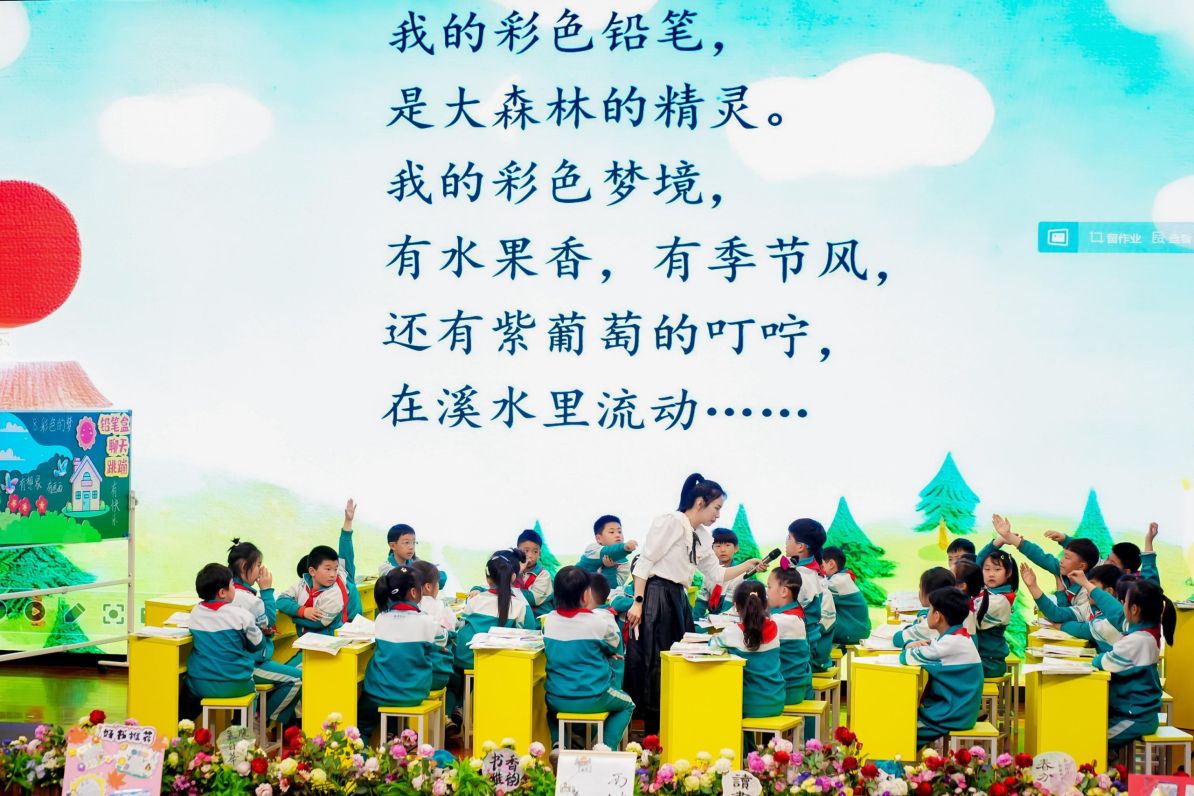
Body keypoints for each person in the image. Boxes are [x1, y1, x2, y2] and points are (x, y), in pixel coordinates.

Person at [624, 473, 763, 733]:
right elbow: (645, 562)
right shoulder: (672, 521)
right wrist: (638, 602)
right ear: (700, 502)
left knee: (678, 662)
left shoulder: (702, 535)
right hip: (657, 598)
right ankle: (654, 736)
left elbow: (717, 574)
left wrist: (748, 565)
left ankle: (673, 729)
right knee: (656, 665)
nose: (718, 515)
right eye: (716, 508)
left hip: (678, 599)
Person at [543, 566, 636, 748]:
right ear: (586, 595)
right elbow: (613, 643)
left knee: (551, 711)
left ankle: (558, 745)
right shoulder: (598, 622)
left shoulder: (549, 621)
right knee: (628, 705)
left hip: (557, 697)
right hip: (594, 696)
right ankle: (605, 747)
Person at [357, 566, 442, 743]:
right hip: (413, 693)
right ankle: (397, 736)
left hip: (378, 692)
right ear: (414, 592)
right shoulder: (427, 621)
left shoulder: (381, 618)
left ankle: (363, 756)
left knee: (362, 727)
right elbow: (442, 643)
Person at [1093, 579, 1174, 756]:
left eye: (1124, 602)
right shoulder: (1148, 632)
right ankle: (1111, 762)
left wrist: (1096, 658)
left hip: (1135, 717)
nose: (1122, 606)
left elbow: (1104, 662)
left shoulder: (1138, 640)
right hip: (1133, 712)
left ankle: (1108, 768)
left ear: (1134, 609)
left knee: (1093, 739)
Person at [226, 539, 301, 726]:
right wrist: (266, 590)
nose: (261, 570)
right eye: (258, 565)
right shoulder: (247, 598)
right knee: (298, 679)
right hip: (249, 663)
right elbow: (269, 621)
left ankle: (256, 720)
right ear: (244, 566)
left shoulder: (231, 591)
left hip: (238, 660)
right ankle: (261, 721)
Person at [900, 587, 984, 749]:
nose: (927, 614)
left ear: (938, 616)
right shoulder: (958, 636)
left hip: (951, 715)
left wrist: (908, 646)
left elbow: (906, 658)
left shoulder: (949, 643)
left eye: (930, 610)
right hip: (961, 711)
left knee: (901, 731)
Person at [185, 563, 266, 711]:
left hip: (200, 684)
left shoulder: (195, 612)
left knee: (187, 690)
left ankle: (183, 723)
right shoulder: (243, 616)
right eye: (232, 584)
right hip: (237, 684)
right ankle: (242, 725)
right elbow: (258, 645)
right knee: (253, 694)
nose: (234, 588)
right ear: (222, 593)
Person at [993, 514, 1098, 619]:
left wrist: (1060, 592)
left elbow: (1063, 615)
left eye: (1067, 557)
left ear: (1081, 566)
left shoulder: (1088, 592)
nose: (1061, 561)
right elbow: (1039, 556)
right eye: (1063, 556)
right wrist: (1009, 536)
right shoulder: (1063, 569)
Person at [713, 580, 785, 719]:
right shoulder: (775, 627)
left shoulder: (732, 632)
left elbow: (712, 644)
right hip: (776, 701)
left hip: (747, 704)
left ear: (736, 606)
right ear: (765, 604)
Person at [1023, 563, 1124, 653]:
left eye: (1091, 586)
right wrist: (1033, 586)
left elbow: (1085, 630)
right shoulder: (1089, 607)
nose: (1086, 590)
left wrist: (1061, 626)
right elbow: (1057, 614)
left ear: (1109, 592)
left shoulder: (1118, 617)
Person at [783, 518, 837, 671]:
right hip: (809, 648)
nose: (786, 541)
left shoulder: (801, 578)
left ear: (800, 547)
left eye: (789, 537)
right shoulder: (809, 573)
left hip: (805, 654)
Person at [277, 544, 350, 650]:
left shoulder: (334, 593)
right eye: (328, 569)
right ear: (312, 571)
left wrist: (292, 616)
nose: (333, 574)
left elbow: (319, 623)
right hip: (306, 644)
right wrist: (302, 611)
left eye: (335, 569)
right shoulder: (302, 583)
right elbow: (280, 600)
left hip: (329, 646)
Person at [971, 545, 1018, 678]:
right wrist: (999, 541)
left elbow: (972, 622)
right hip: (977, 659)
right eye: (987, 569)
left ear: (1008, 573)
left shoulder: (1000, 601)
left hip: (988, 663)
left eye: (997, 569)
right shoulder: (984, 591)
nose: (991, 574)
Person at [767, 567, 812, 705]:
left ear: (784, 591)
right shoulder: (793, 613)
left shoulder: (784, 620)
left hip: (786, 690)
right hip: (795, 686)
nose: (766, 592)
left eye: (769, 587)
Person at [894, 567, 957, 647]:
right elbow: (924, 613)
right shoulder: (956, 611)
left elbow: (897, 638)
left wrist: (908, 642)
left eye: (920, 588)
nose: (919, 592)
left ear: (930, 595)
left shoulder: (930, 623)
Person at [821, 546, 871, 645]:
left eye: (821, 566)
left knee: (813, 625)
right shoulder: (843, 577)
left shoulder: (838, 582)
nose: (818, 569)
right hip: (858, 627)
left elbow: (816, 592)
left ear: (831, 564)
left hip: (854, 631)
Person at [380, 522, 448, 589]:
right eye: (406, 542)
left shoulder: (416, 561)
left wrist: (431, 572)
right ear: (393, 546)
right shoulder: (386, 568)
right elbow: (402, 582)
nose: (411, 547)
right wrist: (426, 574)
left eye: (414, 542)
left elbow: (441, 578)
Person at [578, 515, 638, 589]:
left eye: (619, 532)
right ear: (599, 538)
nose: (618, 535)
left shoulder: (624, 565)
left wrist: (610, 568)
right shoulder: (592, 549)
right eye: (612, 532)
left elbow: (613, 589)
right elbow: (607, 552)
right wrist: (624, 548)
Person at [586, 573, 624, 688]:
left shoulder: (597, 619)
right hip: (606, 682)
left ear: (587, 594)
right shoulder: (604, 614)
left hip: (606, 686)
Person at [516, 528, 555, 618]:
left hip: (539, 620)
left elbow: (532, 599)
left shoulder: (544, 575)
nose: (530, 555)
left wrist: (506, 589)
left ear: (539, 554)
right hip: (520, 619)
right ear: (517, 550)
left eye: (535, 552)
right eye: (526, 551)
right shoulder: (512, 570)